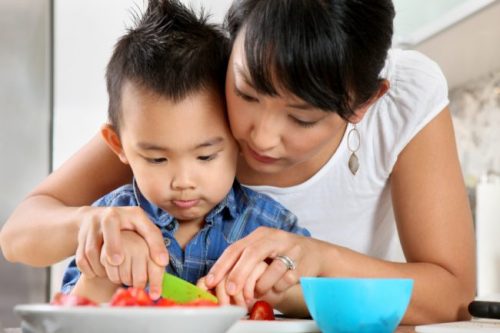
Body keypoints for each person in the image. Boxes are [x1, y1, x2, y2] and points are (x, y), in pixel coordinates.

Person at [0, 0, 475, 323]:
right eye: (247, 92)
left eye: (302, 117)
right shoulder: (195, 94)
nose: (261, 137)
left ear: (364, 103)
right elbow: (21, 233)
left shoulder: (405, 99)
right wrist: (91, 225)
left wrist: (321, 261)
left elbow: (453, 297)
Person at [53, 0, 310, 304]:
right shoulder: (108, 225)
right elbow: (71, 314)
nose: (183, 181)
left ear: (236, 139)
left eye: (205, 156)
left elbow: (315, 303)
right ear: (118, 145)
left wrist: (270, 293)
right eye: (157, 159)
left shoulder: (269, 226)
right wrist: (104, 271)